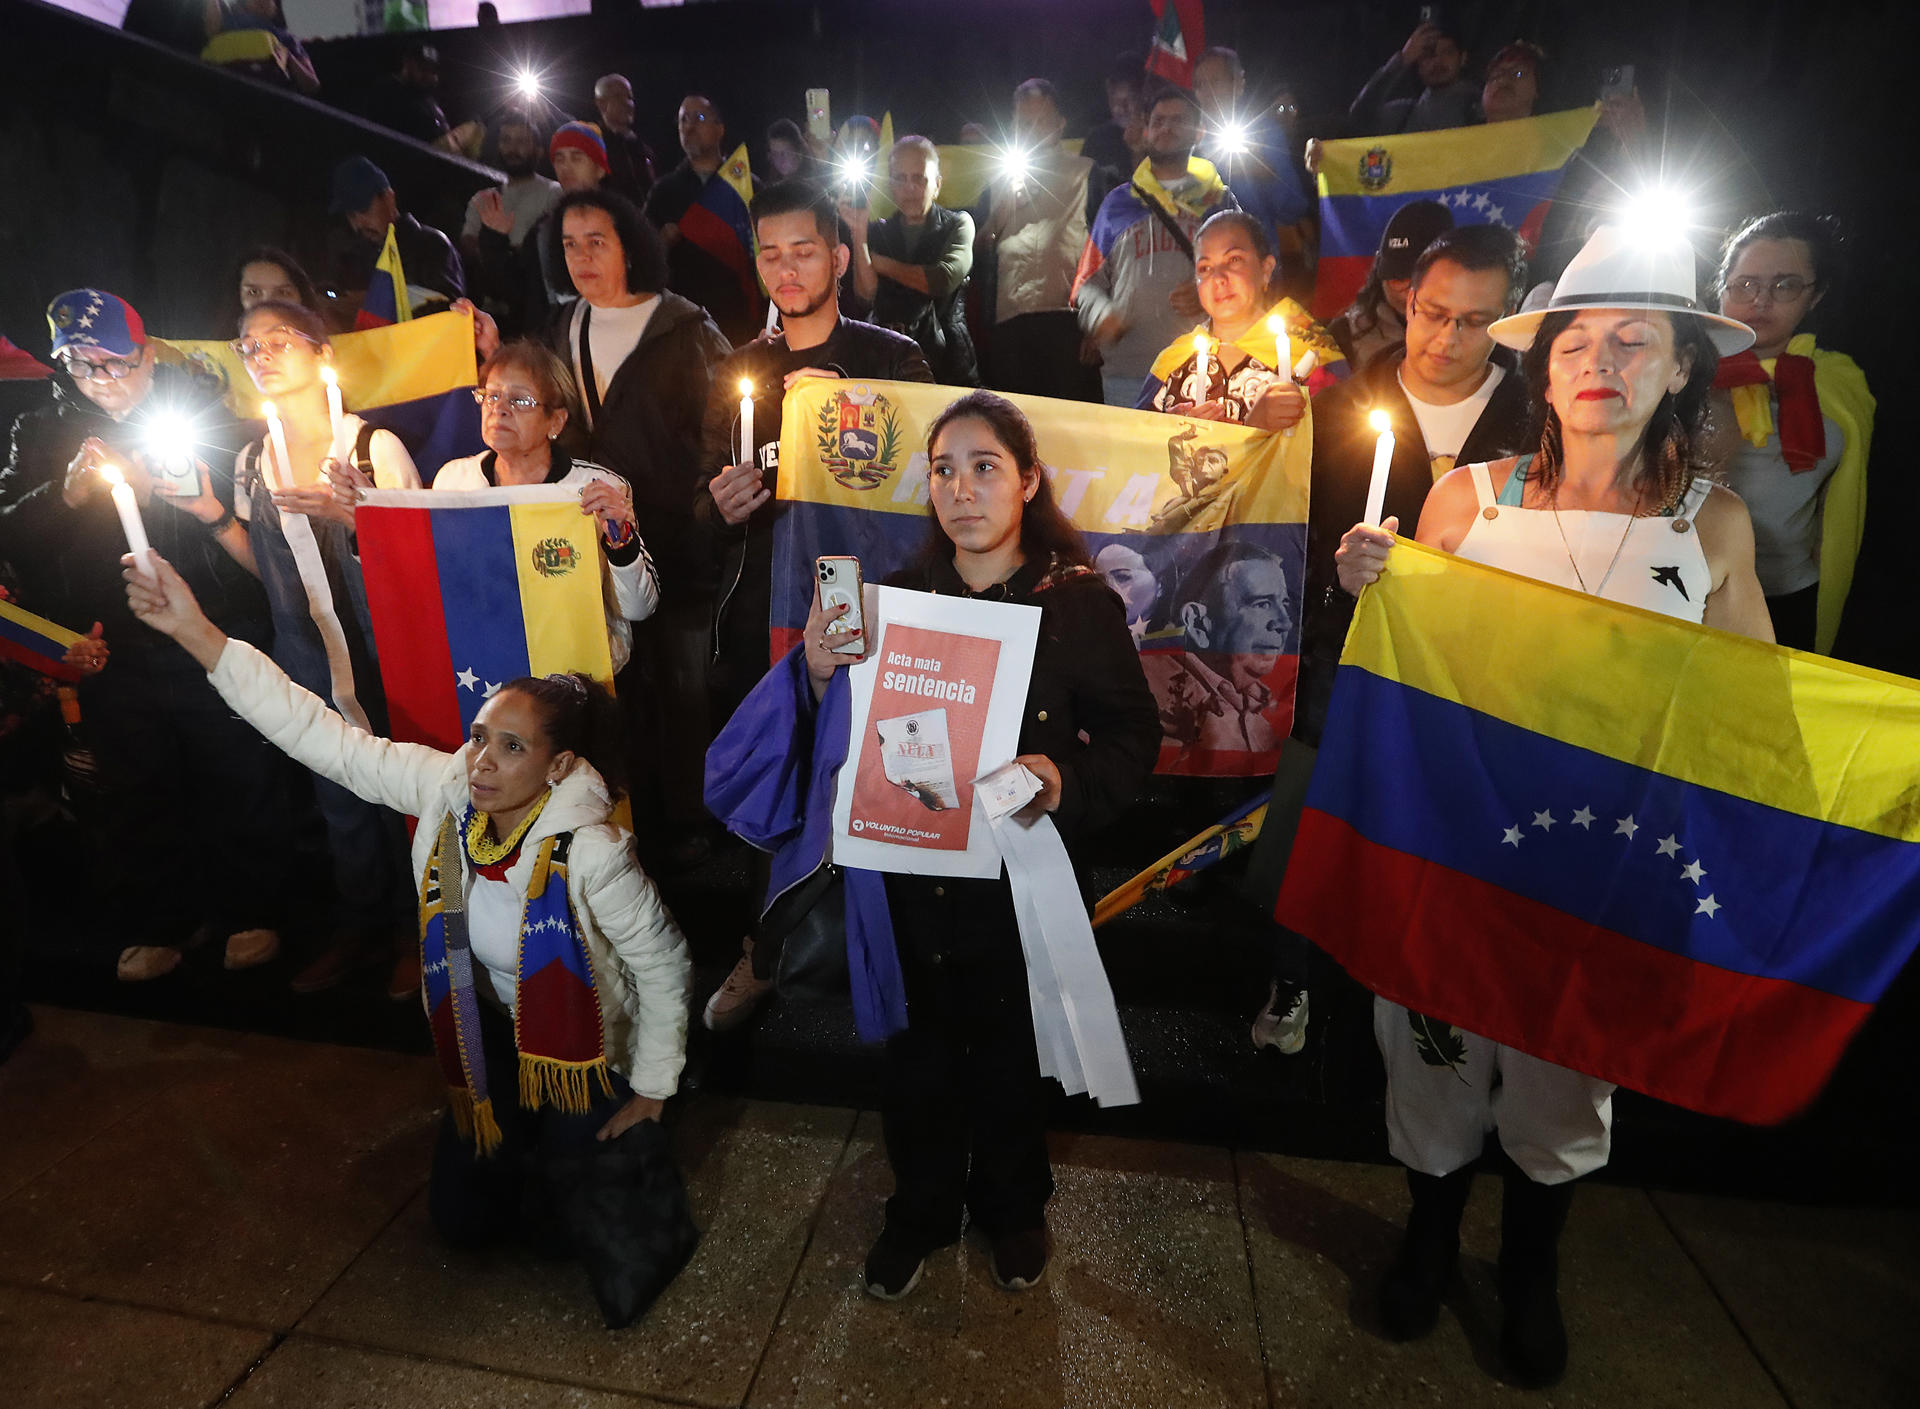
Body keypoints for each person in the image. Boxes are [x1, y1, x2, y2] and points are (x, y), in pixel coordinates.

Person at [1333, 222, 1771, 1387]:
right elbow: (1403, 682)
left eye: (1637, 340)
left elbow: (1758, 716)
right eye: (1577, 336)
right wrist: (1366, 591)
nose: (1601, 360)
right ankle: (1427, 1236)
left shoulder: (1711, 527)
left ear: (1681, 367)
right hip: (1463, 854)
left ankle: (1529, 1265)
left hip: (1605, 868)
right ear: (1544, 362)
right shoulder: (1466, 504)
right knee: (1431, 1056)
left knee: (1564, 1076)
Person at [123, 554, 693, 1292]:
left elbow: (664, 965)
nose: (483, 760)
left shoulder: (592, 852)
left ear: (559, 767)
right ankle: (516, 1137)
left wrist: (652, 1087)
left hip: (584, 1047)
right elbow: (322, 736)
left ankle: (584, 1129)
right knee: (461, 1223)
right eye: (482, 734)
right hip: (489, 1031)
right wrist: (198, 633)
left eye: (512, 746)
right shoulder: (449, 789)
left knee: (562, 1238)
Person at [797, 390, 1158, 1299]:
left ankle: (1011, 1205)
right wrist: (816, 669)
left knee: (1007, 1048)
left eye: (985, 466)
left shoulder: (1079, 608)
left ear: (1029, 481)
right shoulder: (901, 602)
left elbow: (1131, 738)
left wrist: (1064, 780)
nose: (962, 488)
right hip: (913, 879)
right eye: (945, 469)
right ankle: (919, 1207)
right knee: (916, 1052)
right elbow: (840, 733)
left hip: (1016, 877)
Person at [0, 289, 296, 983]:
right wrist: (66, 497)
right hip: (112, 645)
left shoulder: (206, 414)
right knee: (137, 785)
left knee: (236, 771)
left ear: (148, 352)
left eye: (116, 363)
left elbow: (251, 532)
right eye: (81, 366)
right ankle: (166, 918)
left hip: (211, 629)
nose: (101, 380)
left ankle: (257, 906)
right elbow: (11, 531)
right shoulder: (43, 433)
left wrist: (201, 504)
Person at [695, 179, 932, 1032]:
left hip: (867, 608)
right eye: (770, 253)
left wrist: (853, 417)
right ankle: (765, 951)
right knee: (784, 780)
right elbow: (700, 502)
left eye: (804, 251)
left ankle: (889, 949)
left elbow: (928, 487)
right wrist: (717, 506)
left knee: (878, 776)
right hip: (768, 610)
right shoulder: (738, 371)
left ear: (837, 257)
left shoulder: (893, 357)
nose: (786, 269)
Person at [229, 300, 422, 995]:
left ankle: (414, 928)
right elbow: (267, 566)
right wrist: (208, 516)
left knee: (397, 792)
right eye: (250, 345)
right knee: (337, 798)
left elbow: (420, 563)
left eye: (280, 339)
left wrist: (360, 515)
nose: (263, 354)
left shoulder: (373, 448)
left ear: (321, 354)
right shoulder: (252, 459)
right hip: (307, 656)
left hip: (379, 655)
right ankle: (359, 925)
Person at [1302, 223, 1532, 733]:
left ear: (1506, 322)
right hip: (1355, 663)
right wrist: (1339, 585)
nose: (1447, 338)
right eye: (1434, 314)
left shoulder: (1536, 422)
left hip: (1490, 675)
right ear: (1408, 301)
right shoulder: (1336, 415)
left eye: (1474, 322)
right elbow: (1297, 556)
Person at [428, 340, 659, 667]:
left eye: (520, 400)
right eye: (491, 395)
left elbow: (638, 609)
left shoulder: (597, 488)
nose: (500, 409)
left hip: (576, 677)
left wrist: (620, 537)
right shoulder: (454, 481)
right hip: (485, 669)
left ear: (556, 422)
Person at [1710, 212, 1874, 654]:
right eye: (1744, 284)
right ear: (1721, 288)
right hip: (1686, 586)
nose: (1760, 300)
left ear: (1815, 296)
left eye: (1785, 285)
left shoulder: (1840, 382)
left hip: (1789, 596)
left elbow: (1840, 500)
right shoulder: (1679, 370)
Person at [1073, 86, 1238, 406]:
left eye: (1178, 120)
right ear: (1146, 131)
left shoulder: (1218, 201)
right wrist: (1101, 316)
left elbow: (1251, 275)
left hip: (1204, 371)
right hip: (1127, 376)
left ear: (1200, 132)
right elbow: (1085, 285)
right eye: (1158, 120)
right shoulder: (1118, 203)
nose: (1166, 128)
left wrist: (1208, 288)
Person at [1135, 209, 1342, 425]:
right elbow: (1133, 446)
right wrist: (1170, 431)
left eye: (1234, 259)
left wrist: (1260, 431)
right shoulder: (1174, 360)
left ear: (1266, 269)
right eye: (1205, 268)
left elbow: (1339, 444)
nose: (1218, 278)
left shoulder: (1308, 354)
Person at [977, 79, 1101, 403]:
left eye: (1040, 121)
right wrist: (1000, 212)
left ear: (1060, 125)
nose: (1031, 130)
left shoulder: (1087, 174)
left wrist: (1096, 325)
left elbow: (1110, 251)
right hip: (1009, 327)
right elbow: (978, 251)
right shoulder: (996, 183)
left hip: (1066, 322)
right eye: (1023, 123)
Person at [844, 137, 977, 385]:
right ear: (891, 185)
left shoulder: (958, 224)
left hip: (947, 362)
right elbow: (865, 297)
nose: (910, 188)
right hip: (889, 360)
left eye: (919, 178)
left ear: (936, 185)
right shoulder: (876, 233)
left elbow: (942, 279)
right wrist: (859, 231)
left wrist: (876, 262)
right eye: (900, 179)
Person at [645, 95, 762, 345]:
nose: (689, 127)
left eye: (699, 118)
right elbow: (642, 257)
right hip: (686, 325)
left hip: (743, 321)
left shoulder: (748, 186)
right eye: (682, 120)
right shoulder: (664, 191)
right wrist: (661, 241)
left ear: (720, 129)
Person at [472, 121, 601, 338]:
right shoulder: (545, 228)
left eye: (577, 157)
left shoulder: (621, 223)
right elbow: (519, 292)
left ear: (599, 167)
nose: (566, 167)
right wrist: (495, 241)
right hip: (551, 352)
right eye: (559, 158)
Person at [1193, 47, 1313, 264]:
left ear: (1238, 84)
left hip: (1256, 264)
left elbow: (1293, 208)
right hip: (1201, 264)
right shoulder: (1188, 142)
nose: (1207, 91)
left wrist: (1265, 173)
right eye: (1200, 85)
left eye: (1215, 81)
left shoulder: (1263, 134)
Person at [326, 156, 465, 318]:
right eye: (351, 215)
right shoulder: (356, 256)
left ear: (389, 198)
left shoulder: (432, 245)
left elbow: (451, 312)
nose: (358, 224)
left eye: (363, 210)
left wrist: (372, 302)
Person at [1326, 199, 1455, 372]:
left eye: (1421, 281)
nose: (1407, 294)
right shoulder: (1345, 335)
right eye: (1397, 279)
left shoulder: (1479, 334)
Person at [460, 114, 561, 271]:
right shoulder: (482, 199)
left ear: (539, 151)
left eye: (521, 141)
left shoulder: (554, 192)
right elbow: (468, 246)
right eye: (506, 140)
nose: (512, 149)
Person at [1349, 19, 1477, 135]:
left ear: (1463, 58)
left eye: (1447, 52)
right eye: (1428, 55)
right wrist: (1402, 59)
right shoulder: (1402, 114)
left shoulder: (1483, 106)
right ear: (1417, 64)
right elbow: (1359, 116)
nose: (1437, 61)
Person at [1081, 52, 1148, 216]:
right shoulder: (1097, 140)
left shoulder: (1158, 135)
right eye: (1115, 100)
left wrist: (1138, 152)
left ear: (1143, 96)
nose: (1121, 108)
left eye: (1128, 100)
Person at [205, 0, 320, 95]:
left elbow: (312, 84)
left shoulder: (287, 38)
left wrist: (288, 57)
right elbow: (212, 28)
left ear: (275, 8)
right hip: (227, 86)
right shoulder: (228, 22)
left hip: (270, 94)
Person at [364, 42, 451, 146]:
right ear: (407, 62)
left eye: (432, 70)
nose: (428, 74)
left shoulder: (424, 93)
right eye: (422, 67)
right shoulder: (386, 90)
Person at [593, 74, 658, 205]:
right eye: (618, 96)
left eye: (629, 97)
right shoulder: (594, 147)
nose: (627, 103)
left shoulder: (642, 147)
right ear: (601, 104)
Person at [1477, 41, 1546, 124]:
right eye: (1496, 74)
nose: (1503, 80)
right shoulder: (1461, 134)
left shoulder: (1554, 135)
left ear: (1537, 89)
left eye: (1518, 73)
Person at [764, 118, 817, 183]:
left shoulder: (816, 182)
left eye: (786, 153)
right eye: (775, 154)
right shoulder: (772, 184)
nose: (780, 160)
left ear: (798, 151)